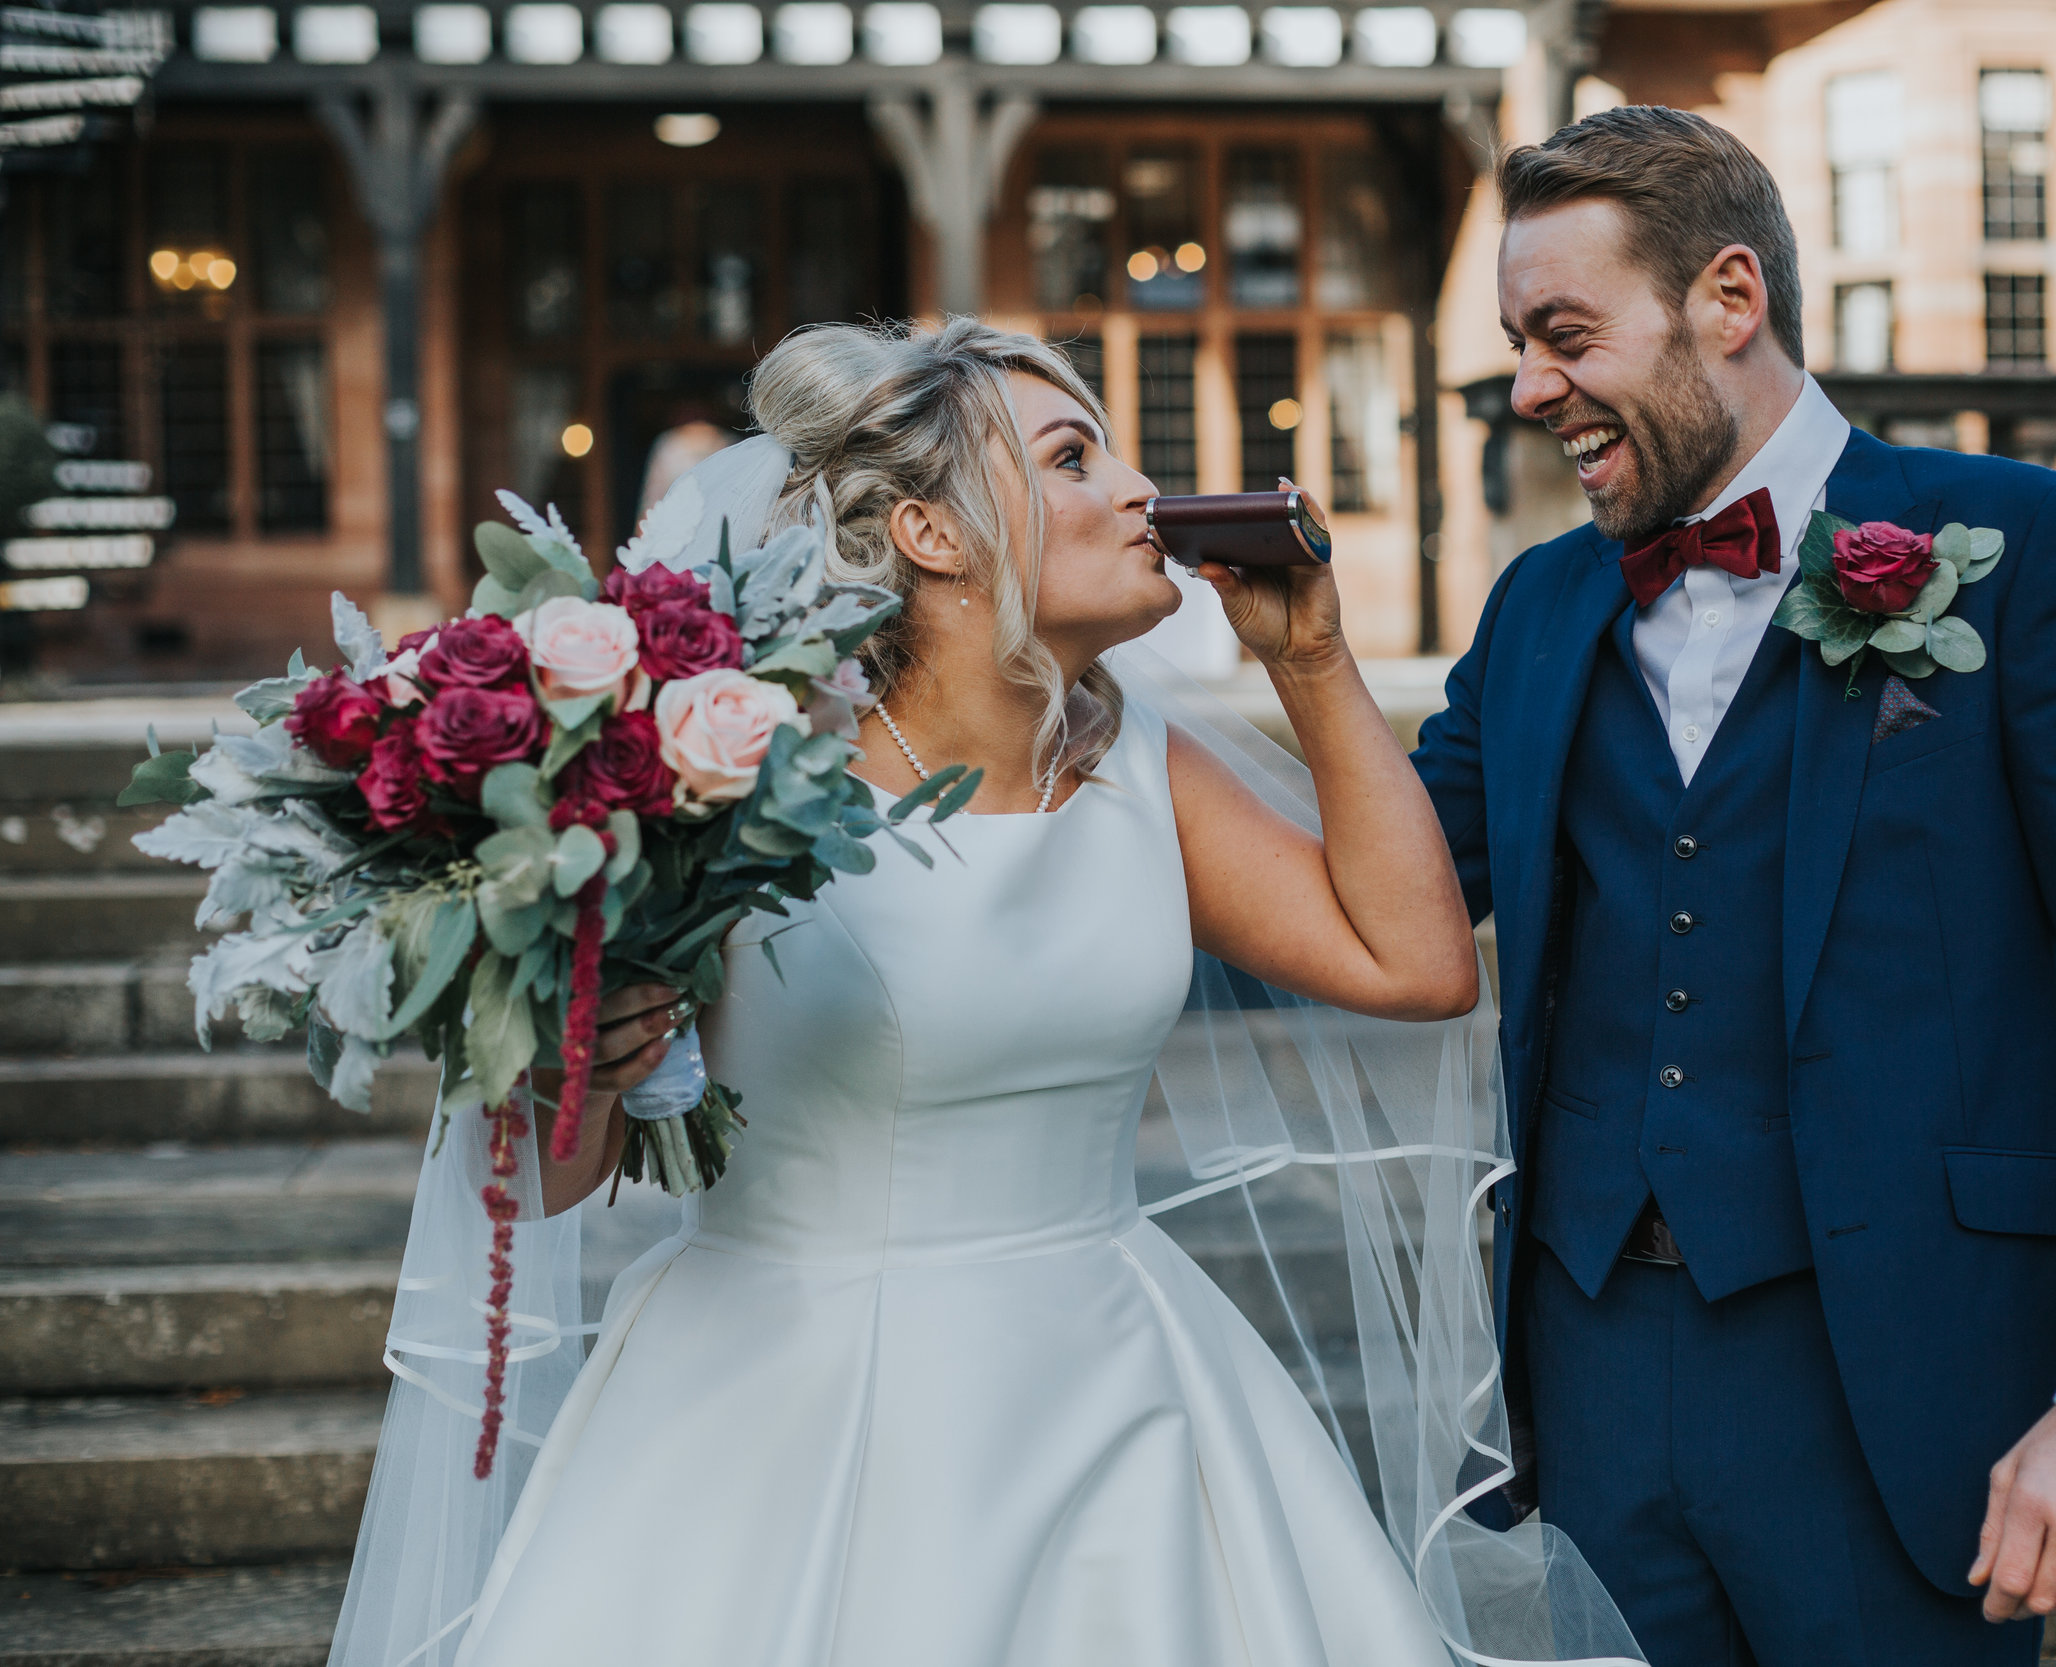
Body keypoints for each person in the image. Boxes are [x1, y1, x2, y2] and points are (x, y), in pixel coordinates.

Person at [327, 319, 1645, 1667]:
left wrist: (1309, 660)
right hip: (789, 1394)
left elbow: (1417, 967)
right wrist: (591, 1058)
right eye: (1076, 457)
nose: (1142, 490)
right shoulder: (735, 779)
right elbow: (544, 1180)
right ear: (932, 534)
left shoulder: (1143, 766)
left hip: (1120, 1379)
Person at [1410, 108, 2056, 1667]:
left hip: (1904, 1374)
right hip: (1591, 1370)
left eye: (1564, 334)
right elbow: (1379, 893)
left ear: (1727, 300)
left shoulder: (2020, 544)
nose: (1529, 387)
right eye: (1520, 343)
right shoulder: (1537, 605)